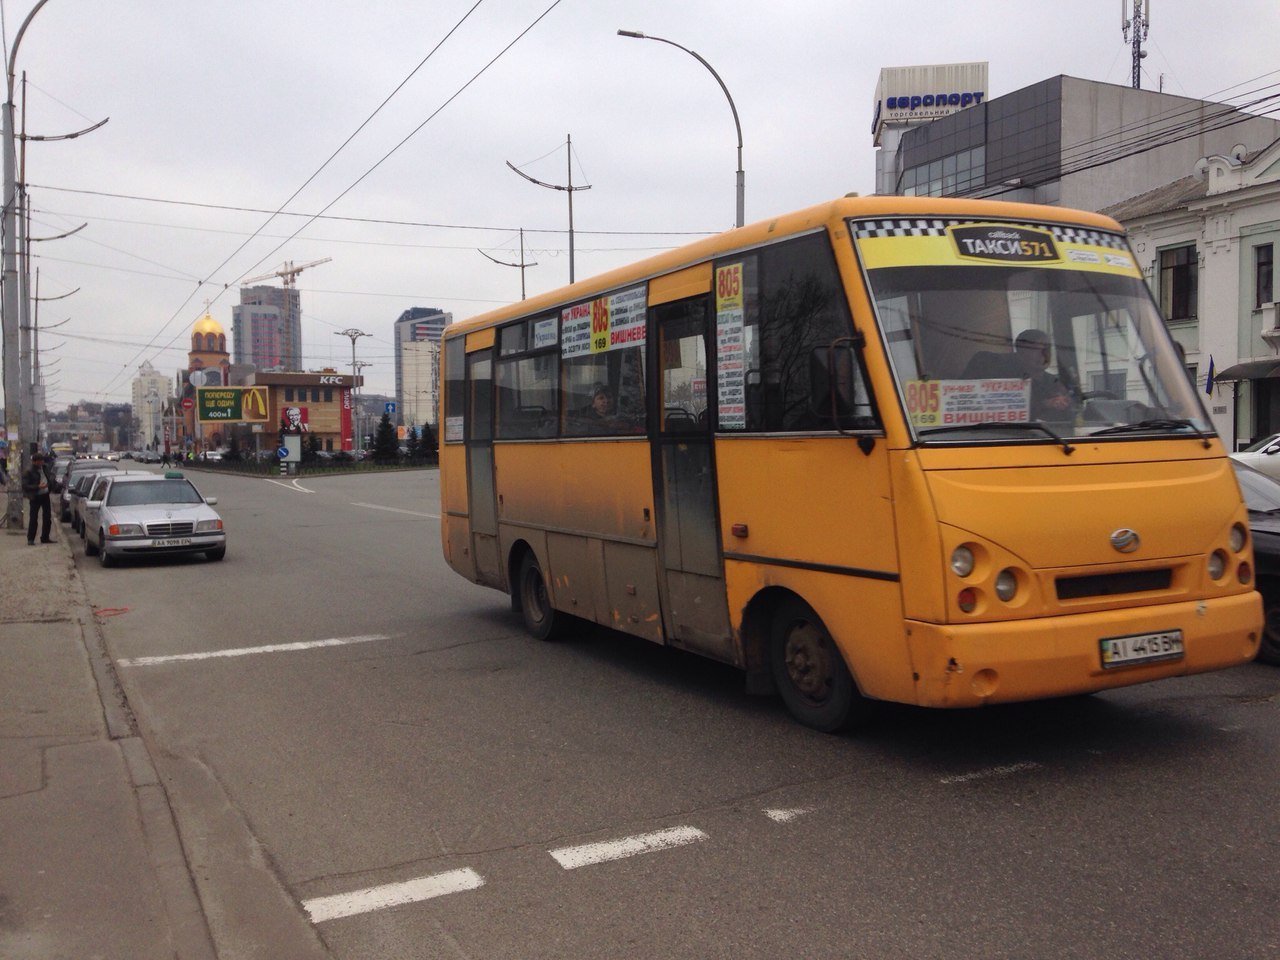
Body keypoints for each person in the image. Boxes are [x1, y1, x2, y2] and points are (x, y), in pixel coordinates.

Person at [1013, 329, 1074, 419]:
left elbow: (1074, 415)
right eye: (1036, 349)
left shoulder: (1056, 382)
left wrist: (1068, 402)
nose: (1044, 354)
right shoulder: (1010, 383)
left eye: (1047, 349)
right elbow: (1013, 411)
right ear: (1020, 354)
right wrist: (1046, 404)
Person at [21, 451, 57, 545]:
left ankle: (45, 537)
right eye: (39, 461)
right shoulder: (29, 471)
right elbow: (25, 486)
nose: (41, 463)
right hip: (35, 496)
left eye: (42, 461)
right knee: (33, 518)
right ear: (35, 462)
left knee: (47, 517)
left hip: (45, 495)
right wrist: (38, 486)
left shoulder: (45, 468)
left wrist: (50, 484)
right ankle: (31, 539)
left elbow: (50, 477)